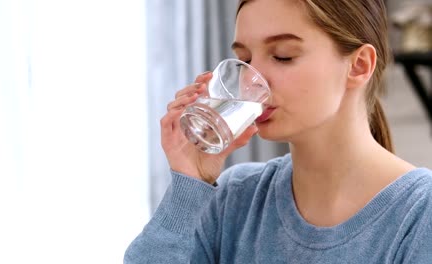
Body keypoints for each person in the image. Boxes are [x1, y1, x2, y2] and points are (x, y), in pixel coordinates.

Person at [125, 0, 432, 262]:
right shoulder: (236, 197)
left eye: (283, 55)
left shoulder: (420, 214)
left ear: (359, 65)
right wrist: (189, 184)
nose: (252, 79)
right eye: (244, 60)